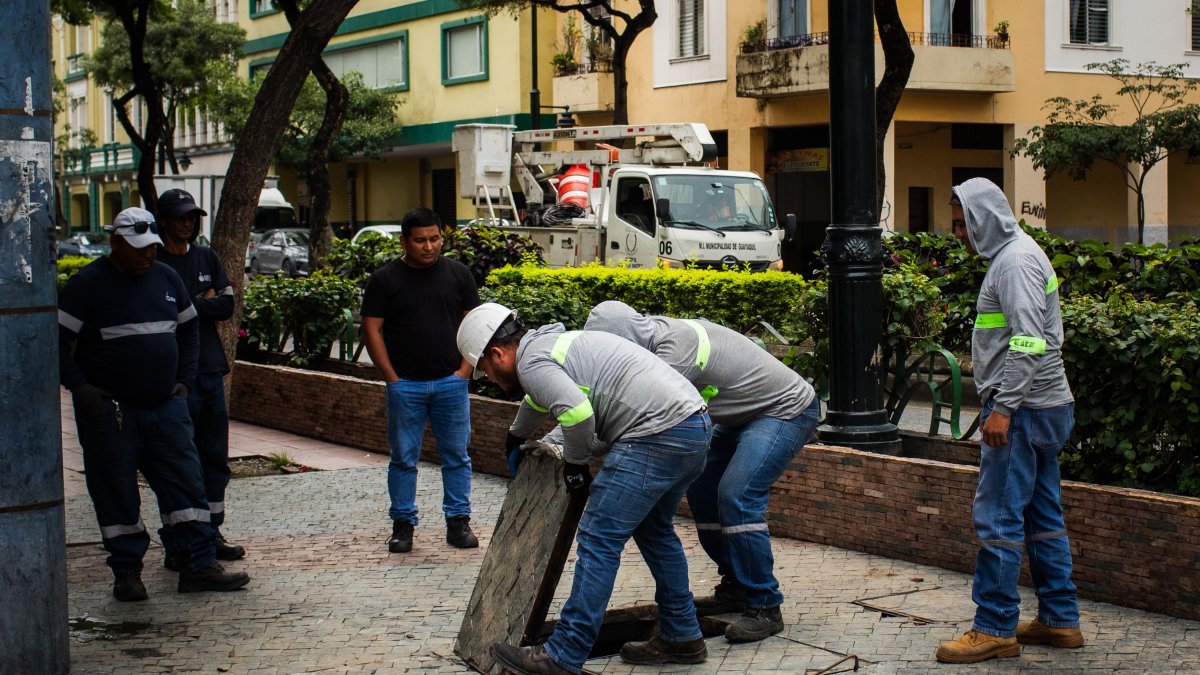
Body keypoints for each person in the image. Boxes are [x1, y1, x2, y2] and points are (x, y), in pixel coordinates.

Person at [459, 303, 713, 674]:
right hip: (693, 427)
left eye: (486, 372)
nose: (493, 380)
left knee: (598, 535)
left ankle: (564, 654)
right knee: (654, 530)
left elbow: (577, 414)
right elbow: (539, 396)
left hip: (657, 435)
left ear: (497, 353)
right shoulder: (550, 345)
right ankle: (682, 635)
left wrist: (575, 465)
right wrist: (516, 434)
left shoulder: (532, 362)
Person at [582, 301, 819, 642]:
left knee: (737, 495)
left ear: (625, 339)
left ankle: (765, 605)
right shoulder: (652, 343)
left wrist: (580, 446)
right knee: (703, 491)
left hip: (785, 409)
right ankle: (736, 584)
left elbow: (645, 416)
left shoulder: (674, 350)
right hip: (739, 417)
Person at [59, 207, 251, 601]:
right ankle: (127, 572)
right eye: (138, 249)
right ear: (116, 243)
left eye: (151, 248)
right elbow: (55, 342)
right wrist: (80, 386)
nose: (147, 255)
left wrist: (183, 381)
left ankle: (197, 565)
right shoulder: (87, 285)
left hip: (166, 407)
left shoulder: (166, 278)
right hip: (112, 412)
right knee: (116, 492)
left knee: (186, 485)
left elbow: (188, 333)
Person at [936, 178, 1081, 664]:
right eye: (956, 223)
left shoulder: (1015, 262)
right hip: (1044, 407)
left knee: (997, 517)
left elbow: (1028, 341)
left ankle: (994, 627)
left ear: (985, 216)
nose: (959, 232)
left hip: (1023, 412)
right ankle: (1060, 621)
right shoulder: (1018, 255)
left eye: (964, 222)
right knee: (1042, 516)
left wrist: (1003, 408)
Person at [360, 207, 481, 553]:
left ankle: (458, 523)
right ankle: (403, 525)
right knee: (403, 459)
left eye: (435, 238)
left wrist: (463, 371)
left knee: (457, 456)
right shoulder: (385, 279)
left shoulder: (459, 275)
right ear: (404, 241)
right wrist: (392, 379)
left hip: (451, 383)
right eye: (420, 240)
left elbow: (472, 324)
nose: (429, 246)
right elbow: (372, 330)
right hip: (406, 386)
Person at [155, 188, 246, 567]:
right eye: (180, 217)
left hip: (210, 371)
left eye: (192, 217)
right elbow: (164, 312)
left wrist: (191, 302)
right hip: (176, 379)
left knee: (213, 458)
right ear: (163, 221)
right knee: (177, 462)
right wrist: (199, 300)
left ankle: (211, 531)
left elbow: (226, 304)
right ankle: (180, 540)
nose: (188, 223)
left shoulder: (206, 256)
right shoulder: (155, 262)